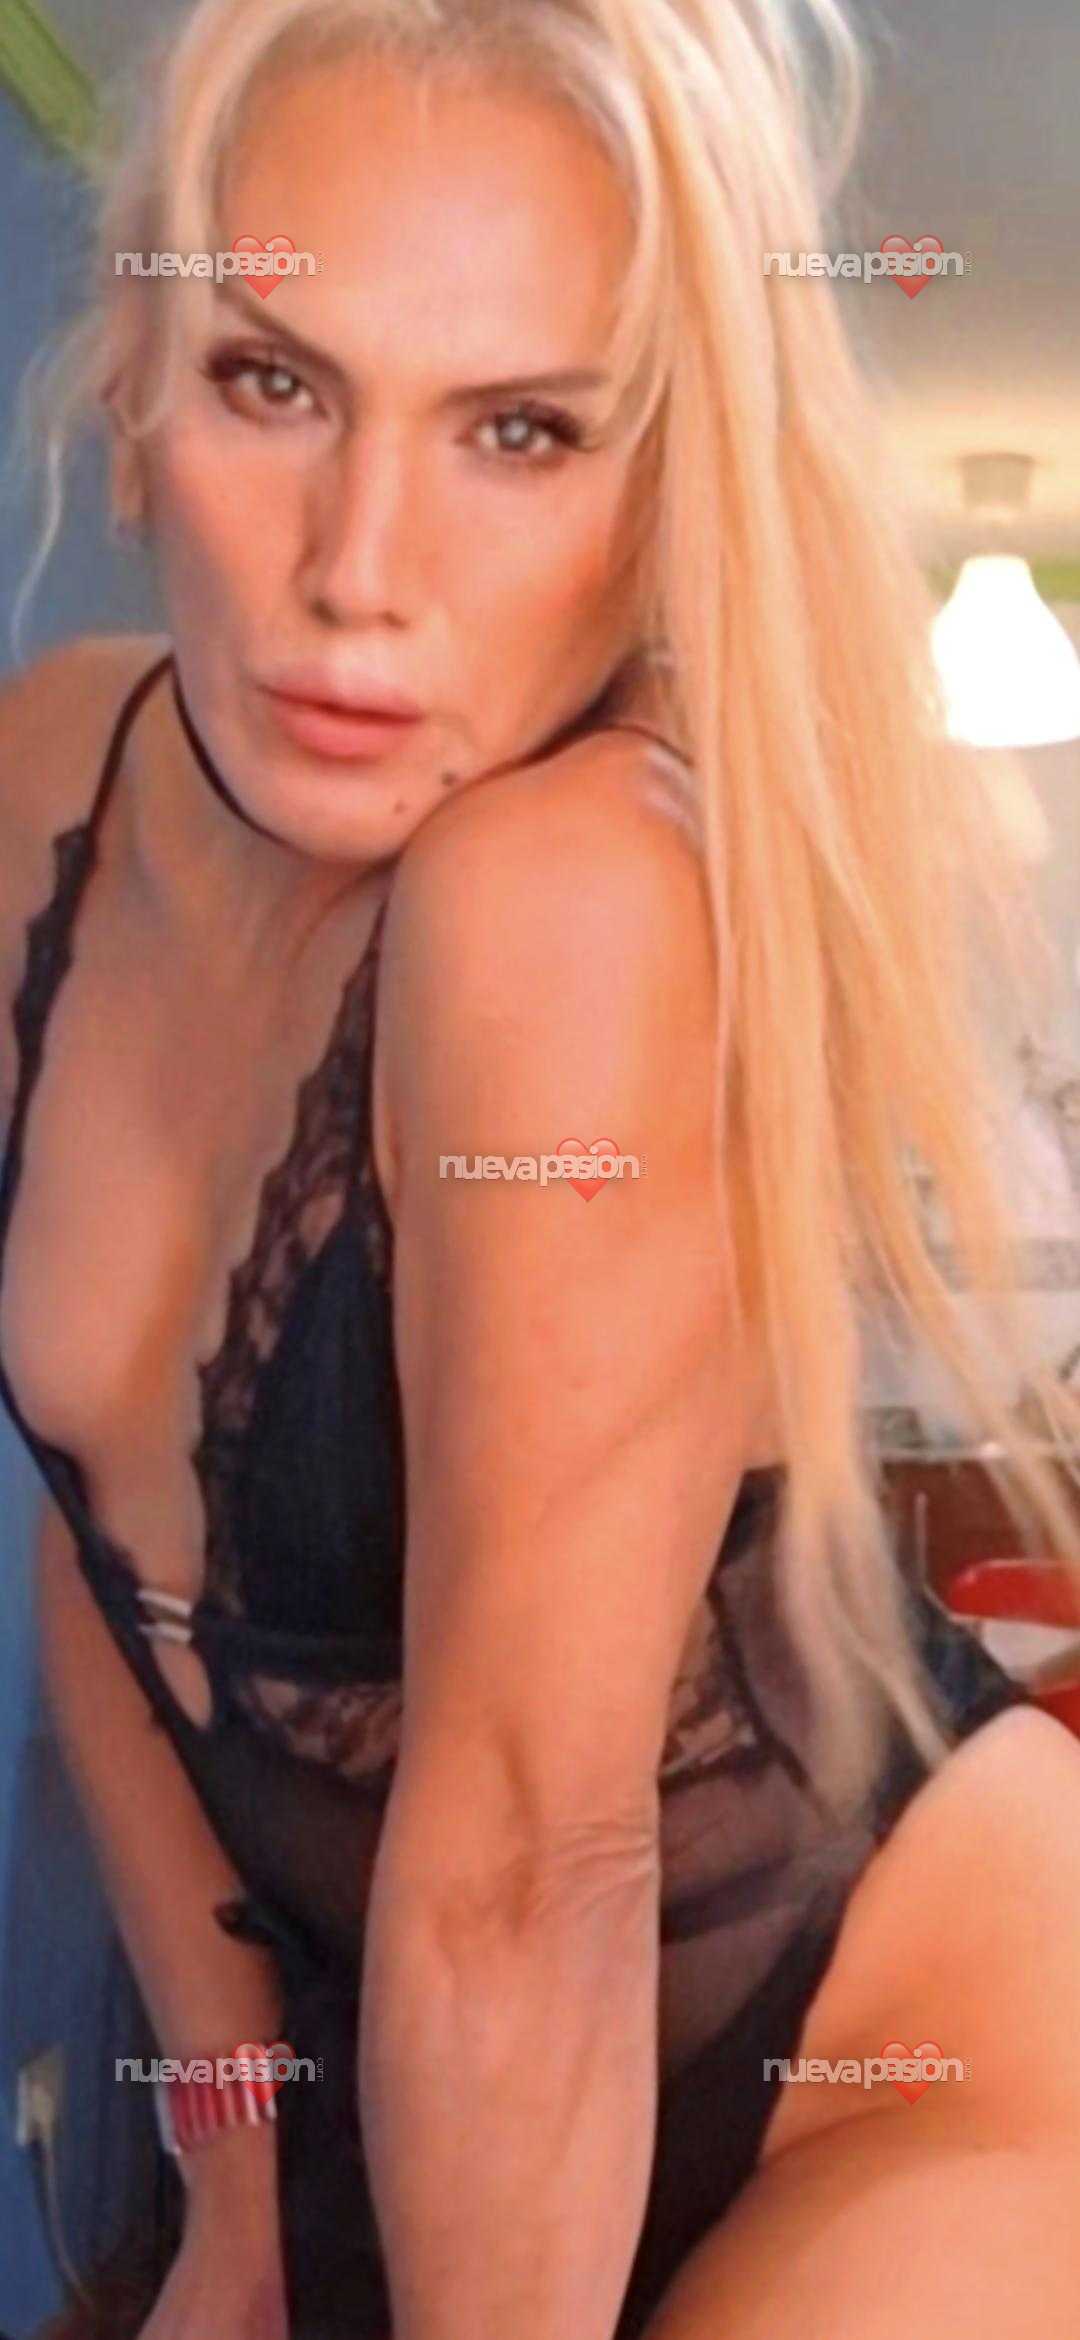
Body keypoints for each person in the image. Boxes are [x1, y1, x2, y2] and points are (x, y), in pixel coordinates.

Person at [3, 3, 1080, 2335]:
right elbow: (107, 1544)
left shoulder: (573, 904)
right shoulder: (46, 790)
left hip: (915, 2073)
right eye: (273, 382)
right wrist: (236, 2196)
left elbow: (531, 1865)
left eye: (518, 430)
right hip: (424, 2065)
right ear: (137, 384)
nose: (358, 568)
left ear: (661, 496)